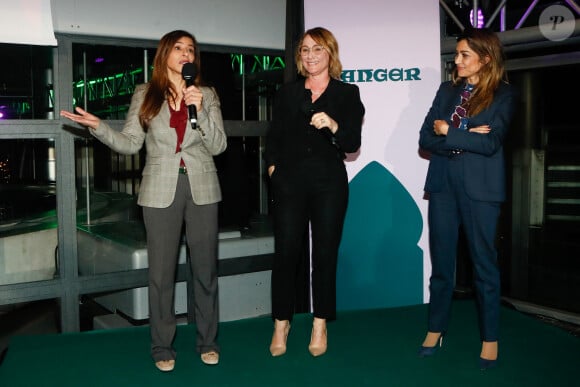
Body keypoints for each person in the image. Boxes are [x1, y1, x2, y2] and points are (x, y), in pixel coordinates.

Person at [60, 30, 227, 371]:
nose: (185, 54)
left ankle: (208, 341)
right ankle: (162, 347)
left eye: (191, 49)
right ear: (165, 53)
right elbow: (130, 143)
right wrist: (98, 127)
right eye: (178, 48)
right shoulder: (145, 94)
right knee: (161, 274)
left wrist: (201, 110)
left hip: (203, 188)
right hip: (159, 191)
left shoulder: (206, 94)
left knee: (206, 271)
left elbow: (219, 145)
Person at [417, 27, 517, 370]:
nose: (456, 61)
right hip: (443, 185)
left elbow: (491, 144)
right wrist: (465, 135)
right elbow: (425, 139)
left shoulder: (503, 95)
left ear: (485, 59)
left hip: (481, 191)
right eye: (456, 54)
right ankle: (435, 328)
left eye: (464, 55)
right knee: (442, 265)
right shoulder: (447, 91)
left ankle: (490, 338)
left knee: (484, 268)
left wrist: (451, 131)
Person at [264, 27, 365, 357]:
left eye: (317, 49)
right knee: (286, 252)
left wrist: (333, 126)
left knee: (324, 254)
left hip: (328, 183)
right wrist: (273, 168)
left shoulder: (347, 94)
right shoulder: (288, 93)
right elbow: (274, 136)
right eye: (305, 50)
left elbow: (351, 143)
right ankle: (281, 322)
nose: (309, 55)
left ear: (330, 54)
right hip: (290, 181)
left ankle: (319, 322)